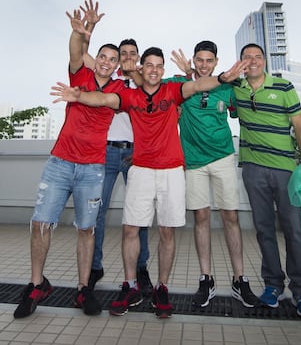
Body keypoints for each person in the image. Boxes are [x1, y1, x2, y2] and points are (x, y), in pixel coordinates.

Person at [51, 47, 248, 318]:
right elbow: (104, 99)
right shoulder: (130, 95)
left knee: (167, 232)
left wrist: (224, 78)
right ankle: (130, 284)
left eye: (159, 66)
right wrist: (80, 96)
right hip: (141, 169)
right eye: (149, 65)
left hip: (172, 170)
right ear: (142, 69)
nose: (154, 70)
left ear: (163, 71)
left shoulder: (173, 92)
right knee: (130, 229)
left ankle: (162, 287)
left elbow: (200, 84)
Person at [13, 0, 126, 319]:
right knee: (40, 223)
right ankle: (36, 284)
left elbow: (104, 99)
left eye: (111, 59)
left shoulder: (118, 89)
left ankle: (83, 289)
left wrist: (81, 96)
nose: (105, 61)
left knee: (87, 229)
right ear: (96, 60)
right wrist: (79, 33)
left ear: (116, 66)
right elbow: (76, 52)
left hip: (93, 168)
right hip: (60, 162)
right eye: (102, 56)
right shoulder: (79, 75)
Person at [170, 42, 260, 309]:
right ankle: (206, 278)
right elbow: (146, 82)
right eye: (199, 60)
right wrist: (185, 75)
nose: (204, 65)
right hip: (194, 161)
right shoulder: (180, 84)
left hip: (222, 157)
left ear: (216, 62)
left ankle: (239, 279)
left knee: (230, 216)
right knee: (201, 217)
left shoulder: (228, 87)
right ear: (194, 61)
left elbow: (243, 112)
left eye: (209, 60)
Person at [231, 43, 301, 318]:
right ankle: (273, 286)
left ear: (265, 61)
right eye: (247, 57)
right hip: (253, 169)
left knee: (293, 230)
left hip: (285, 169)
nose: (253, 61)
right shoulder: (237, 89)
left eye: (257, 56)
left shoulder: (283, 87)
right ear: (241, 62)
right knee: (264, 229)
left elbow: (300, 124)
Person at [83, 37, 153, 296]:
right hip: (106, 151)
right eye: (122, 54)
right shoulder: (110, 81)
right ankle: (94, 267)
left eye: (132, 54)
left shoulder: (144, 84)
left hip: (136, 153)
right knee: (96, 214)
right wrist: (87, 33)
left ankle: (142, 267)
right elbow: (84, 56)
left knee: (140, 215)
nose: (127, 58)